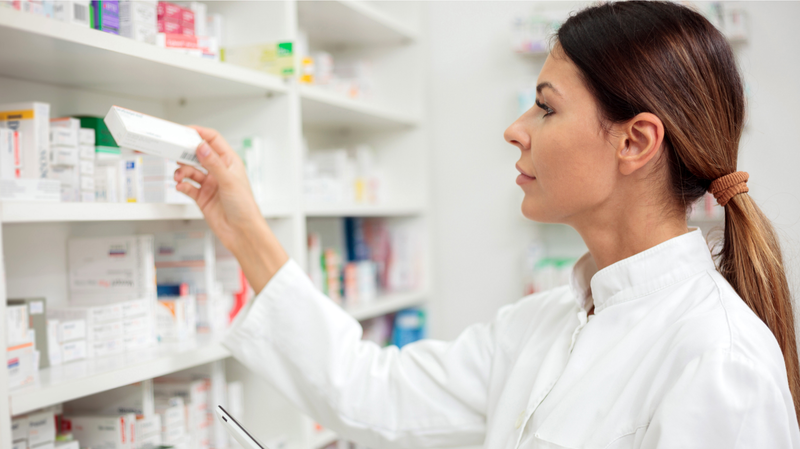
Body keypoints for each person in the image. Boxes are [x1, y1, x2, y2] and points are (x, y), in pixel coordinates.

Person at [174, 2, 800, 448]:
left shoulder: (720, 361)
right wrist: (243, 227)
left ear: (635, 142)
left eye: (546, 107)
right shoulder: (542, 323)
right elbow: (372, 395)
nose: (515, 129)